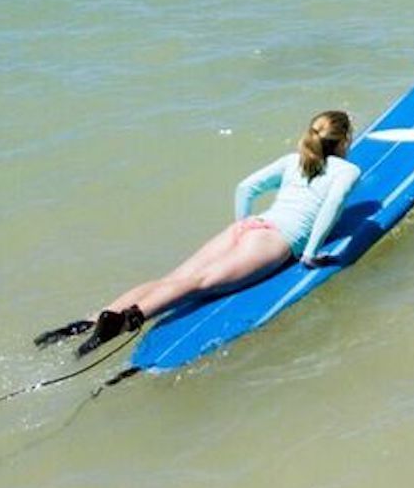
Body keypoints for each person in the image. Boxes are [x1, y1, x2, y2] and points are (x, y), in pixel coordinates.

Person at [36, 111, 358, 359]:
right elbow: (331, 207)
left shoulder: (294, 160)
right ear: (344, 141)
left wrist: (242, 227)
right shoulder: (347, 170)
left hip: (249, 227)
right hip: (273, 241)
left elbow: (246, 188)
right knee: (199, 284)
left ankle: (88, 322)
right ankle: (126, 321)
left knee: (172, 279)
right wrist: (310, 253)